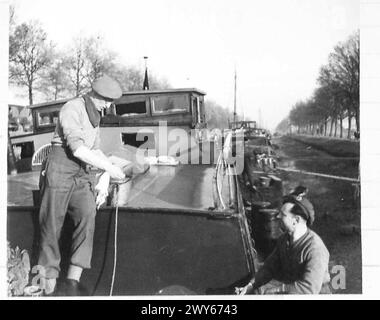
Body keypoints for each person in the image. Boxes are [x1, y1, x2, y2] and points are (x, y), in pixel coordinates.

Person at [38, 75, 125, 296]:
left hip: (82, 171)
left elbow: (94, 150)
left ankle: (72, 283)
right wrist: (110, 168)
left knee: (87, 216)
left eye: (110, 101)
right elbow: (76, 148)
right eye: (105, 100)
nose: (108, 105)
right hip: (61, 166)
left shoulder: (96, 115)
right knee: (51, 223)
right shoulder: (72, 108)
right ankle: (48, 284)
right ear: (94, 94)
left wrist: (105, 174)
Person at [235, 191, 331, 295]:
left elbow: (308, 289)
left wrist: (274, 291)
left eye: (283, 214)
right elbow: (269, 267)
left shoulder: (315, 249)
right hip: (291, 291)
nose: (278, 216)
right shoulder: (284, 239)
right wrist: (251, 285)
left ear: (296, 220)